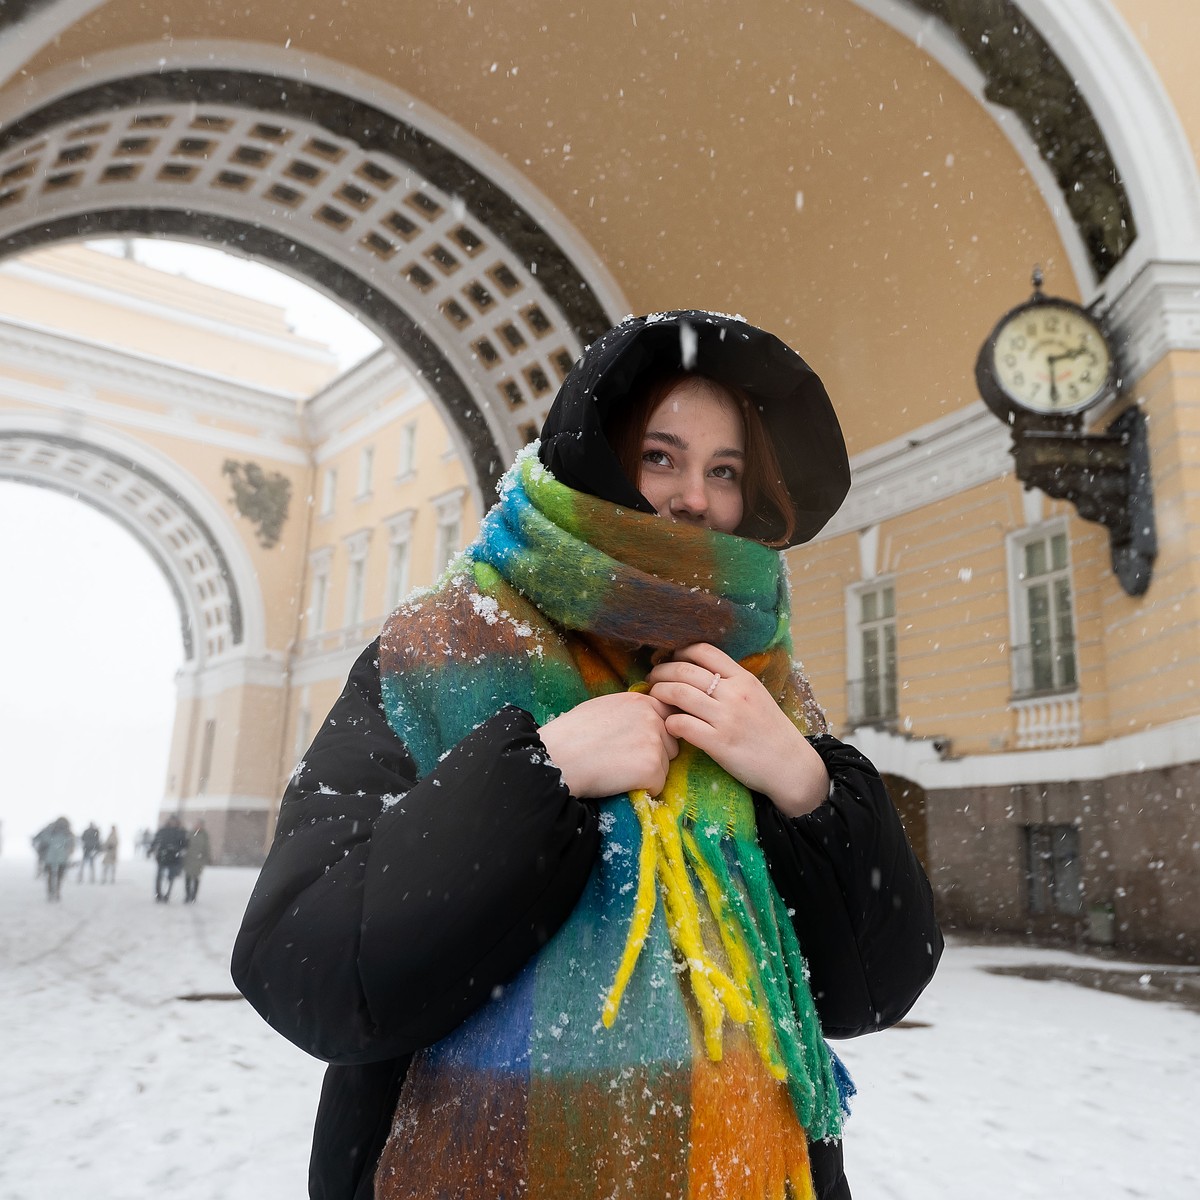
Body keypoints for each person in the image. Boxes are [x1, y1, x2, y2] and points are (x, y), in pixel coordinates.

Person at [233, 311, 943, 1200]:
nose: (694, 497)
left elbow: (871, 992)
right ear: (595, 455)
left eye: (725, 471)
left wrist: (805, 784)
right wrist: (538, 776)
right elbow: (305, 963)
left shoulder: (762, 680)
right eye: (661, 456)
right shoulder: (438, 650)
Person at [149, 814, 188, 903]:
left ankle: (167, 894)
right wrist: (151, 849)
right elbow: (156, 840)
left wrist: (179, 849)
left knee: (171, 877)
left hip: (174, 857)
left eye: (174, 821)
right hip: (163, 856)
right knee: (159, 876)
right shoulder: (163, 831)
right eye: (171, 820)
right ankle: (158, 894)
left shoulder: (180, 832)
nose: (172, 822)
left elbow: (185, 844)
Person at [42, 816, 74, 902]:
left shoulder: (51, 832)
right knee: (59, 877)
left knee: (50, 877)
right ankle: (56, 892)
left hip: (51, 858)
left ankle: (51, 893)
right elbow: (70, 844)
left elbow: (45, 840)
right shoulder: (67, 833)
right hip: (61, 858)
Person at [182, 820, 211, 903]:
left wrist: (207, 858)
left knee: (196, 879)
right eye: (197, 824)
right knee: (187, 878)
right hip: (189, 859)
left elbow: (207, 848)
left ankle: (193, 896)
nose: (198, 826)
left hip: (199, 860)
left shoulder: (205, 835)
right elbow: (185, 844)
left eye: (200, 825)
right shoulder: (190, 834)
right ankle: (187, 895)